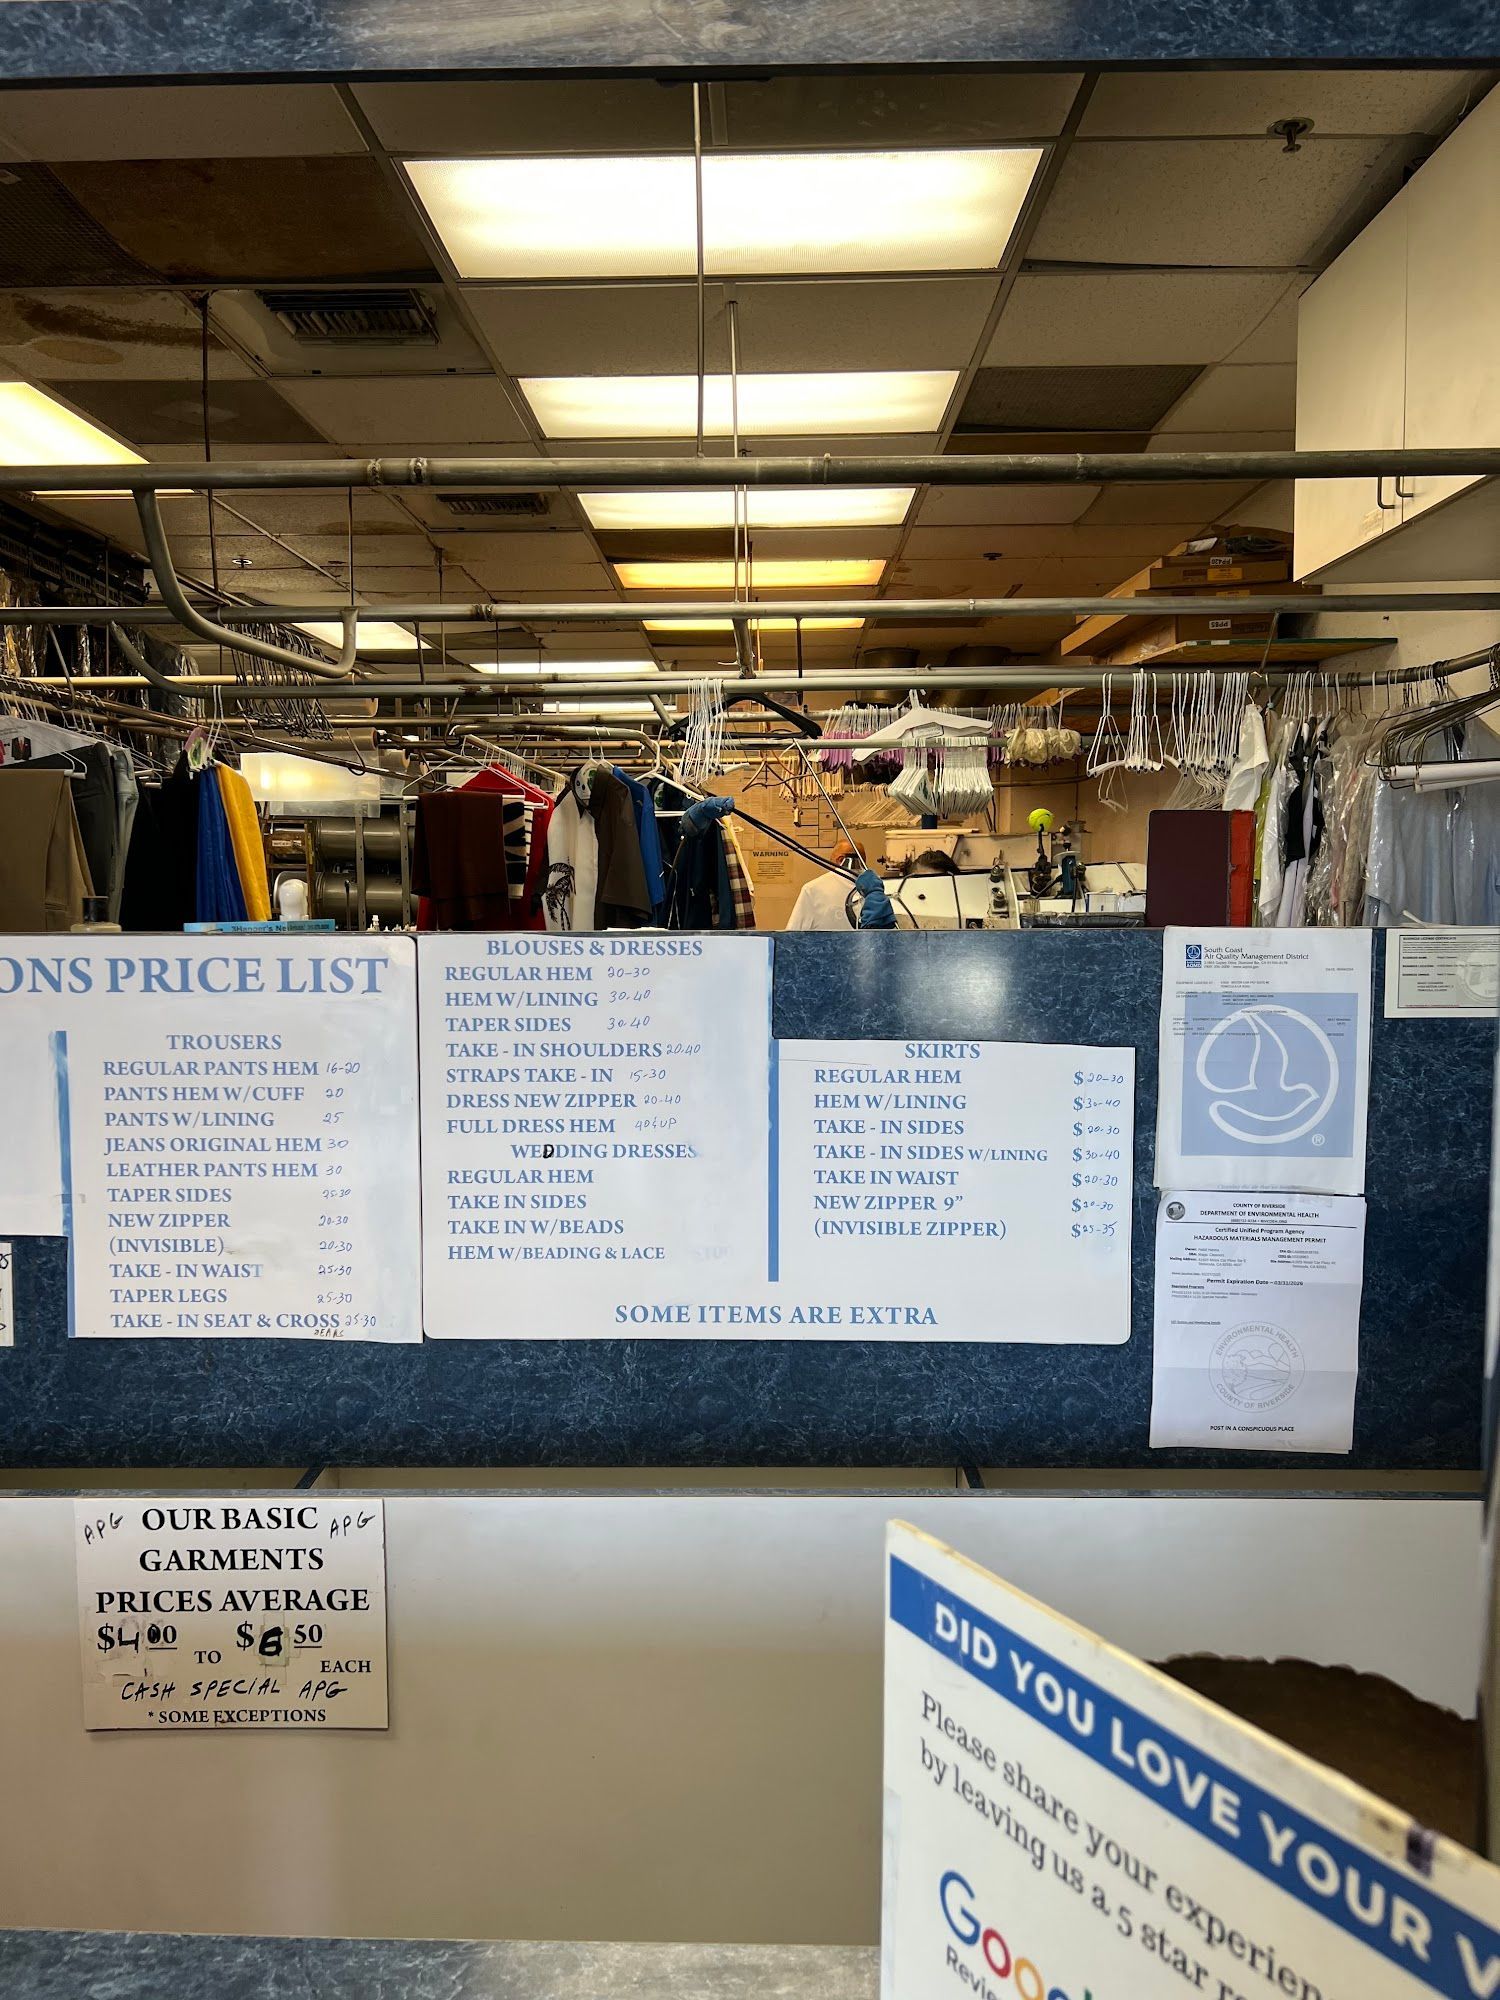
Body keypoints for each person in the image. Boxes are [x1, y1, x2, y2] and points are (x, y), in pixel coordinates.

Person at [784, 840, 868, 931]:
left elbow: (793, 935)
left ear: (840, 860)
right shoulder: (882, 887)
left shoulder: (812, 890)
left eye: (831, 860)